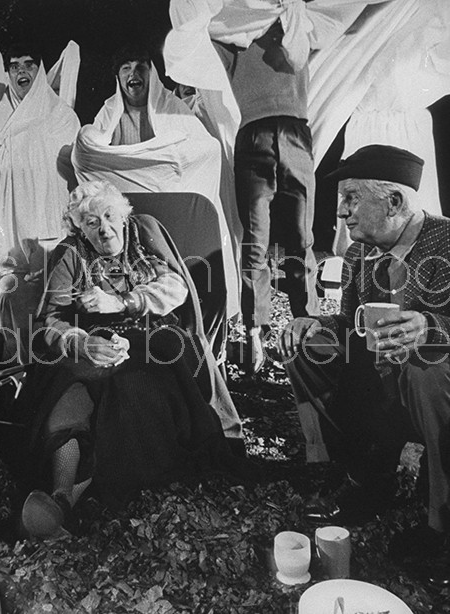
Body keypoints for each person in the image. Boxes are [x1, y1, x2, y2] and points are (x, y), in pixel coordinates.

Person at [18, 180, 248, 540]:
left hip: (152, 336)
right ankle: (60, 495)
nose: (103, 229)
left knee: (130, 391)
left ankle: (70, 500)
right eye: (91, 222)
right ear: (79, 227)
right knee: (69, 390)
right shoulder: (70, 254)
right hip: (93, 344)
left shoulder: (143, 234)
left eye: (109, 216)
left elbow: (177, 288)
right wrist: (81, 342)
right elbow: (49, 320)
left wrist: (125, 302)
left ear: (123, 216)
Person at [279, 144, 450, 584]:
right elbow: (351, 322)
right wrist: (311, 326)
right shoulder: (359, 253)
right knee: (306, 349)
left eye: (352, 198)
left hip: (432, 387)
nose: (341, 213)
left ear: (393, 201)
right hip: (381, 384)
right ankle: (365, 476)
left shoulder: (447, 241)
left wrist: (429, 328)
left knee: (423, 368)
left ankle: (441, 527)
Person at [71, 44, 239, 326]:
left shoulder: (173, 110)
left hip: (171, 218)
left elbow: (206, 151)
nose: (133, 74)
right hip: (123, 220)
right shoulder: (109, 113)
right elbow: (88, 155)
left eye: (141, 67)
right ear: (118, 77)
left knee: (175, 277)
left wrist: (157, 165)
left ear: (152, 73)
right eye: (126, 68)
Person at [213, 19, 320, 375]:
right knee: (255, 243)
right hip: (253, 137)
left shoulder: (300, 25)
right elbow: (195, 27)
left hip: (294, 133)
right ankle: (255, 331)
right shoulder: (232, 34)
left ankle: (307, 327)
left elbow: (347, 20)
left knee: (302, 238)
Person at [0, 43, 80, 364]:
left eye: (29, 63)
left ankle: (43, 370)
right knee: (8, 294)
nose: (21, 70)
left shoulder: (62, 117)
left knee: (46, 300)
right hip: (9, 225)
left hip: (47, 223)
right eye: (14, 65)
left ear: (41, 70)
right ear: (7, 72)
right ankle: (13, 368)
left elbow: (73, 176)